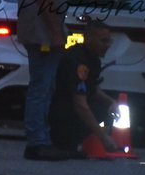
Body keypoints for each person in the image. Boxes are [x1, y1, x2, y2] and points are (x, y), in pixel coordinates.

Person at [19, 0, 93, 161]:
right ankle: (37, 141)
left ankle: (45, 138)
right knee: (41, 86)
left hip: (46, 31)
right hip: (42, 33)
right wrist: (54, 33)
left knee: (47, 85)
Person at [49, 20, 121, 156]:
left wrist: (111, 102)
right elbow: (80, 103)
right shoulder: (78, 61)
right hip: (60, 113)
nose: (107, 46)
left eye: (109, 41)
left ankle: (72, 144)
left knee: (104, 108)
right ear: (88, 38)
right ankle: (65, 143)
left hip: (67, 109)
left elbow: (91, 88)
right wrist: (103, 137)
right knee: (97, 110)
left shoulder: (92, 59)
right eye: (103, 41)